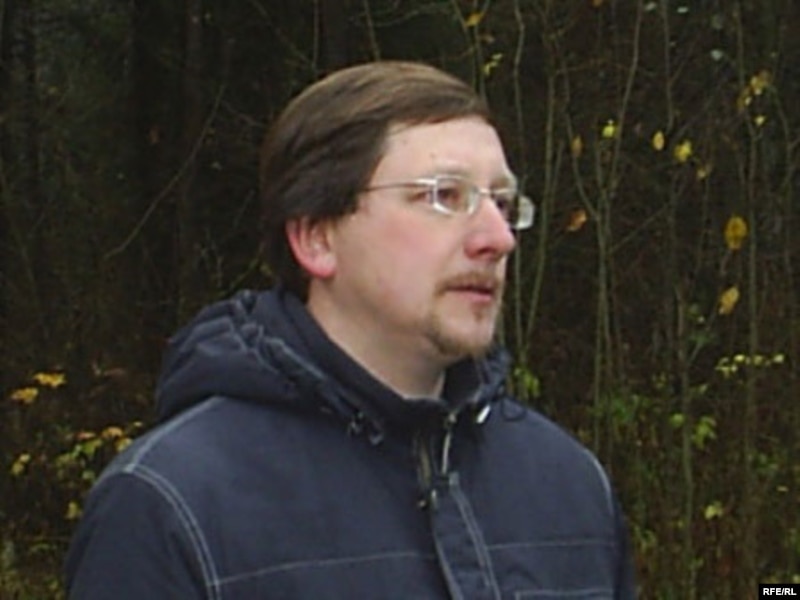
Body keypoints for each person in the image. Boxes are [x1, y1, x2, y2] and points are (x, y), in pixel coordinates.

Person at [65, 61, 637, 599]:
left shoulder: (571, 487)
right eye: (444, 195)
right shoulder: (170, 505)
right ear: (316, 237)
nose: (498, 238)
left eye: (503, 203)